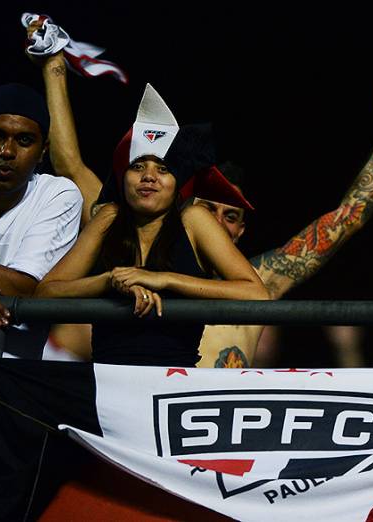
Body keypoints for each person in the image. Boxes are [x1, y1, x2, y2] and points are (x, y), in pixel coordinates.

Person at [31, 43, 373, 367]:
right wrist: (53, 65)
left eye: (231, 216)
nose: (216, 222)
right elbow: (70, 167)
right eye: (207, 209)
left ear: (242, 231)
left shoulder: (264, 278)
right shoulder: (125, 222)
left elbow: (346, 218)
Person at [34, 84, 268, 366]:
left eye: (163, 168)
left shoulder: (194, 220)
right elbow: (45, 292)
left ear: (178, 182)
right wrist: (109, 281)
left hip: (172, 385)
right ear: (123, 177)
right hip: (109, 381)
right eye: (137, 166)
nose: (149, 177)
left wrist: (163, 279)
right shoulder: (109, 217)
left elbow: (257, 295)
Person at [0, 83, 83, 451]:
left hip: (4, 409)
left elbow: (24, 289)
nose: (7, 151)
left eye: (24, 141)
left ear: (43, 151)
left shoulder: (56, 195)